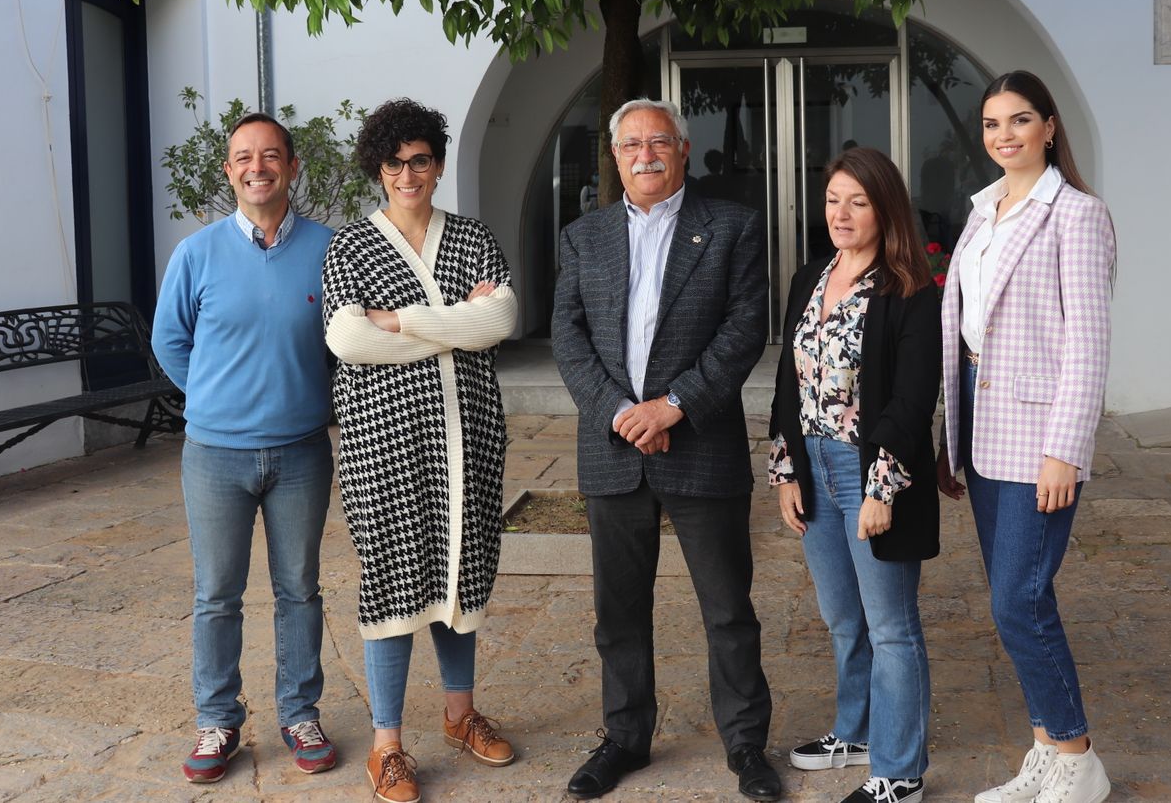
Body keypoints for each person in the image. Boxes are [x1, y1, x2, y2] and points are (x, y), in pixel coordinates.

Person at [552, 98, 782, 802]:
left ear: (683, 149)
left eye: (659, 142)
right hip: (613, 447)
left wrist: (673, 405)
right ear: (615, 156)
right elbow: (568, 336)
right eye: (631, 145)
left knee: (727, 609)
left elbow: (745, 328)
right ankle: (625, 738)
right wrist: (622, 413)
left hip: (700, 443)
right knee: (618, 613)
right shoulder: (583, 237)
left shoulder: (734, 227)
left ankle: (745, 745)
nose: (645, 155)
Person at [320, 98, 519, 803]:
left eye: (420, 161)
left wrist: (399, 321)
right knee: (393, 575)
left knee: (460, 571)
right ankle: (387, 746)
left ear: (436, 165)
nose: (408, 175)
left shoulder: (470, 237)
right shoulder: (351, 246)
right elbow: (347, 339)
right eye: (394, 163)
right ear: (378, 170)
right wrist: (455, 322)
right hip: (383, 441)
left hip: (468, 436)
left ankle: (461, 716)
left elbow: (501, 319)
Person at [936, 71, 1115, 803]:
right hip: (982, 426)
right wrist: (948, 432)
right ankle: (1046, 750)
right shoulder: (984, 211)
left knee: (1021, 600)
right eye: (991, 123)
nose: (1003, 135)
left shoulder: (1077, 215)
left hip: (1039, 435)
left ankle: (1078, 759)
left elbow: (1088, 345)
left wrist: (1065, 449)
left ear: (1049, 127)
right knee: (1010, 599)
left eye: (1018, 120)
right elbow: (968, 331)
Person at [152, 113, 338, 784]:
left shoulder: (329, 249)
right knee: (216, 594)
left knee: (299, 590)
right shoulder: (196, 254)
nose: (257, 167)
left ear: (291, 167)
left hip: (301, 452)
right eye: (243, 157)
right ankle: (217, 719)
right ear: (229, 171)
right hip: (215, 456)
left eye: (270, 155)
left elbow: (346, 340)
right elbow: (169, 341)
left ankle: (300, 713)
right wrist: (214, 397)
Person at [769, 146, 941, 803]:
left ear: (885, 209)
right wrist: (786, 470)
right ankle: (857, 730)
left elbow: (912, 401)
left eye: (858, 202)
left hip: (870, 472)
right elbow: (788, 382)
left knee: (891, 626)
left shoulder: (909, 292)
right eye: (833, 199)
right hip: (813, 466)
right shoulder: (810, 278)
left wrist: (880, 487)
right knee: (843, 617)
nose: (841, 214)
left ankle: (899, 773)